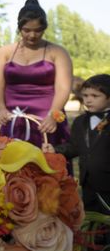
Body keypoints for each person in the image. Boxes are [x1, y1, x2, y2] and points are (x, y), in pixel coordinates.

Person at [0, 0, 72, 148]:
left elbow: (63, 87)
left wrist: (53, 115)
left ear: (44, 28)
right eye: (27, 30)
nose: (32, 35)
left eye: (38, 30)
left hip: (46, 117)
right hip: (8, 115)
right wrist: (1, 108)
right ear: (19, 28)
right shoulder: (5, 52)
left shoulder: (58, 52)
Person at [43, 74, 110, 216]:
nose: (88, 100)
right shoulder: (80, 122)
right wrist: (55, 150)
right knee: (93, 220)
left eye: (95, 96)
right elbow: (74, 146)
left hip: (108, 183)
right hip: (88, 183)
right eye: (85, 95)